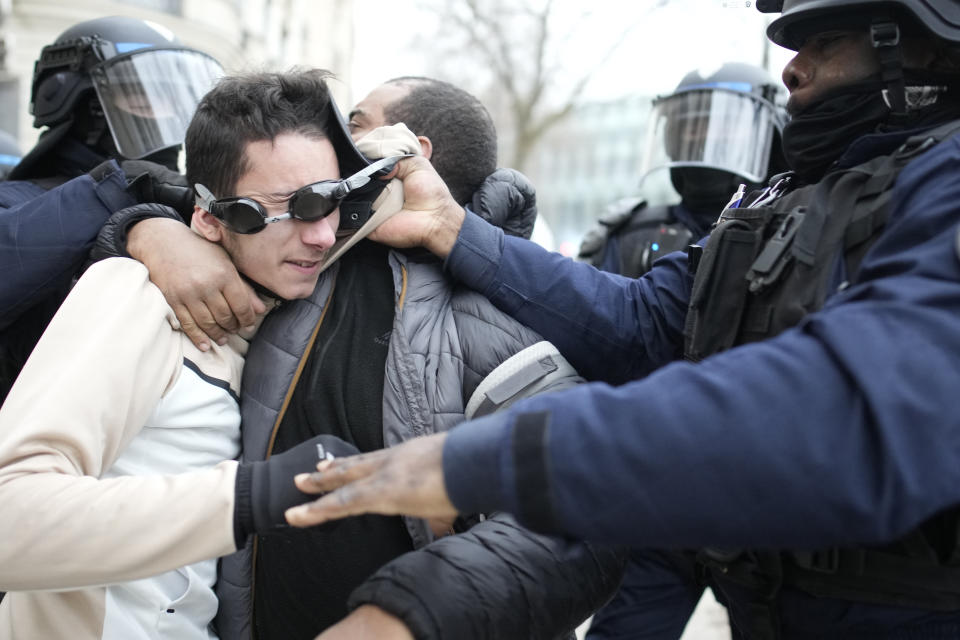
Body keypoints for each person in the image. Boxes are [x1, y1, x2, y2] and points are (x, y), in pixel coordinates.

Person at [286, 1, 960, 638]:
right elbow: (642, 324)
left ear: (920, 45)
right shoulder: (790, 200)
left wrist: (498, 459)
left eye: (826, 40)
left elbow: (848, 409)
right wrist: (455, 229)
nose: (792, 66)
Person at [96, 75, 625, 639]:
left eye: (353, 126)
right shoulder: (302, 262)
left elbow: (574, 519)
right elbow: (213, 195)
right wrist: (145, 227)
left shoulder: (508, 330)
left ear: (406, 153)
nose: (331, 146)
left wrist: (402, 616)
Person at [0, 67, 406, 640]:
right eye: (293, 207)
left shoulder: (275, 285)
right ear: (210, 219)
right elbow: (9, 519)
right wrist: (248, 498)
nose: (321, 236)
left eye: (330, 200)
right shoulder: (134, 295)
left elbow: (399, 164)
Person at [579, 62, 788, 640]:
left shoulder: (797, 231)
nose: (700, 146)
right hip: (653, 494)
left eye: (716, 129)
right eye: (689, 129)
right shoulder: (625, 233)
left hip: (756, 504)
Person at [0, 15, 225, 403]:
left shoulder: (193, 210)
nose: (165, 113)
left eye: (175, 99)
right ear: (73, 99)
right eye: (142, 95)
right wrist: (120, 187)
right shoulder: (19, 200)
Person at [578, 62, 787, 277]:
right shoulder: (630, 234)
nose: (701, 136)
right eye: (691, 126)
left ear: (772, 143)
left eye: (722, 125)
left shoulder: (790, 232)